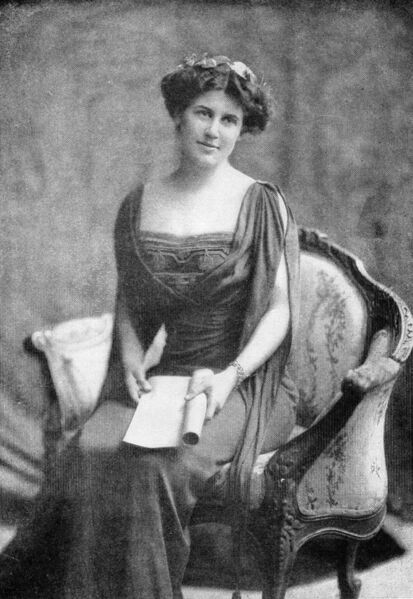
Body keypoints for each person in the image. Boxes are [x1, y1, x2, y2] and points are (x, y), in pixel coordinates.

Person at [44, 54, 300, 599]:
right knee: (90, 450)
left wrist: (230, 376)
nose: (214, 131)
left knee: (156, 466)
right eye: (203, 113)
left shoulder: (262, 204)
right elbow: (130, 297)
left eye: (229, 120)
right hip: (170, 378)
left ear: (242, 129)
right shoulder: (140, 202)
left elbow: (278, 311)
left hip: (248, 383)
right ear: (178, 115)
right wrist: (130, 353)